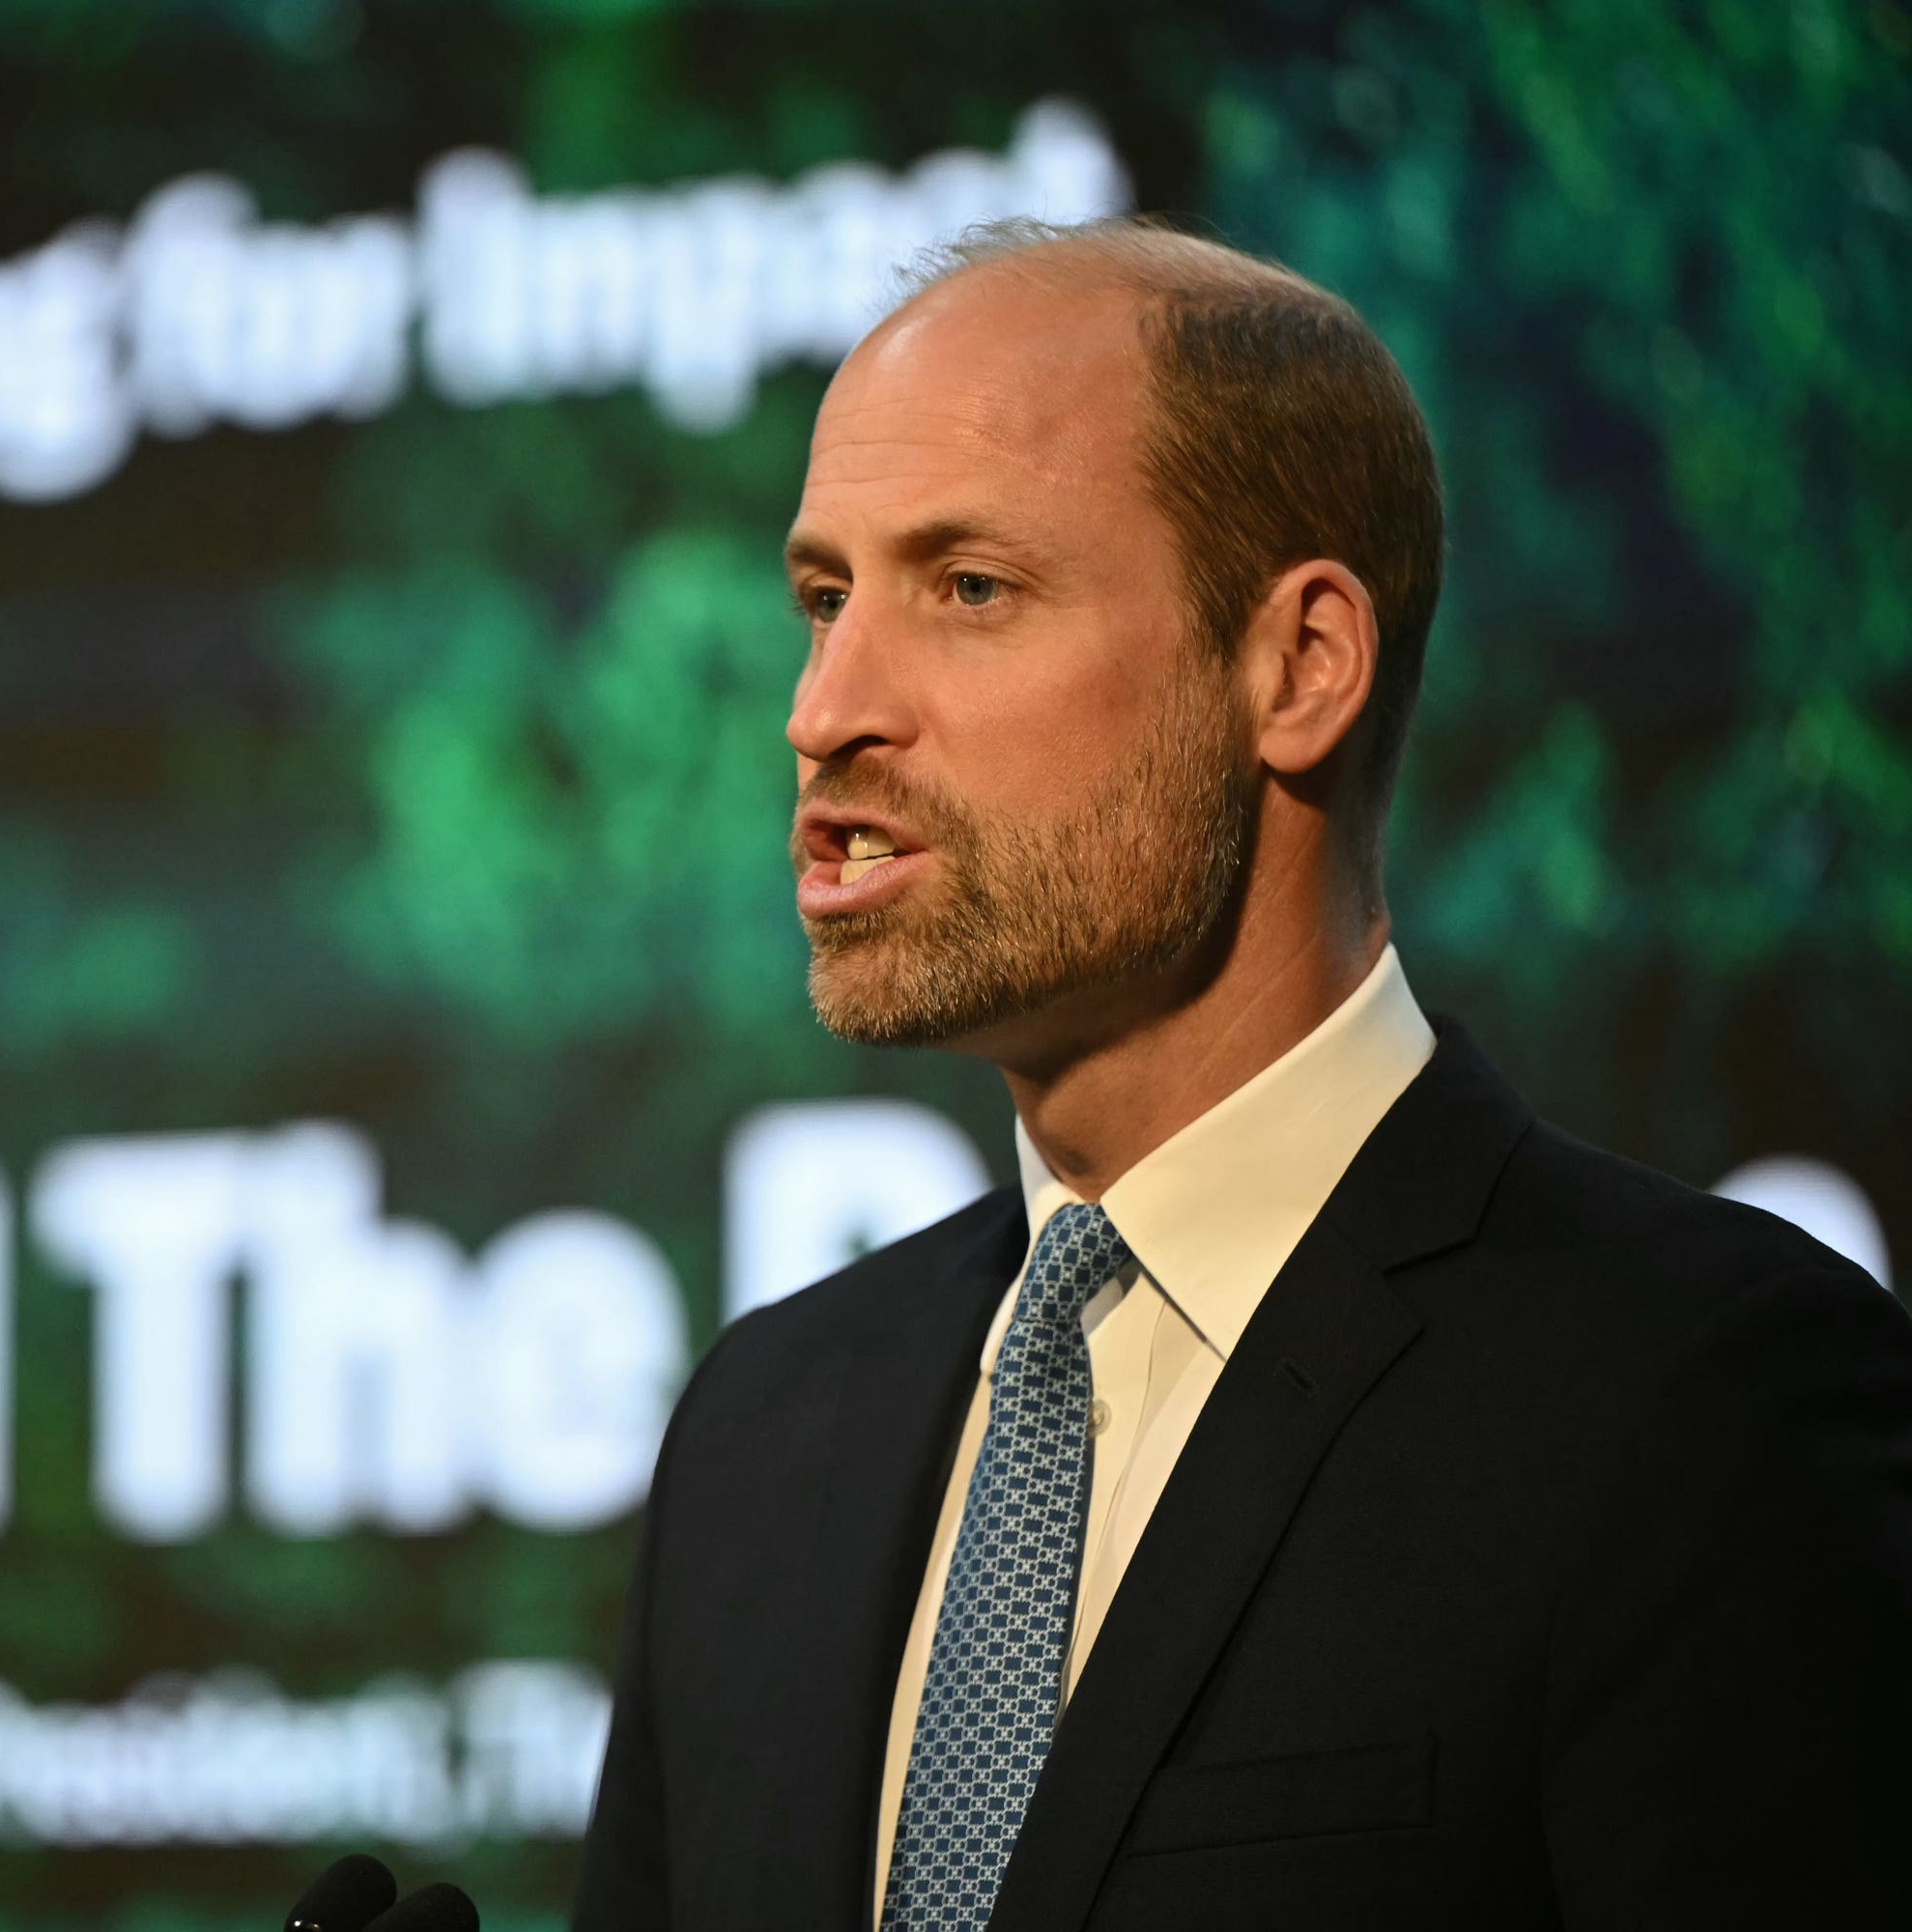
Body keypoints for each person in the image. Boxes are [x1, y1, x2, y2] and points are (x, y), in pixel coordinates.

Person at [568, 218, 1912, 1930]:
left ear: (1300, 667)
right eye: (825, 599)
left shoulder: (1705, 1405)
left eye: (968, 588)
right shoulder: (764, 1436)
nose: (825, 708)